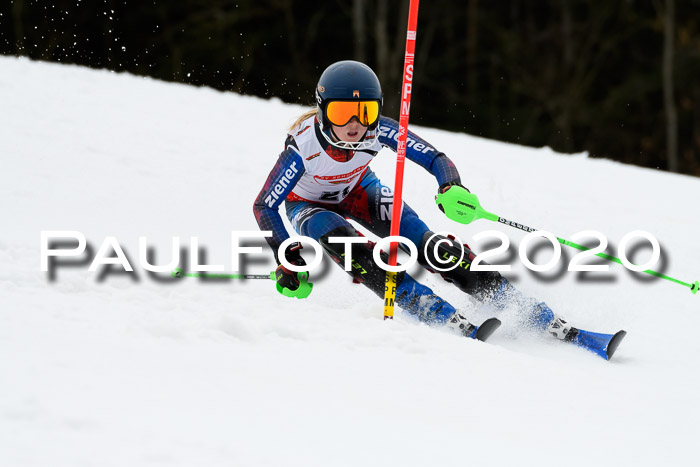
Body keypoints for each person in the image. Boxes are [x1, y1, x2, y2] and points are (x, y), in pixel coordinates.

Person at [252, 60, 579, 343]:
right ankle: (423, 303)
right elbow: (265, 205)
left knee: (433, 247)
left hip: (359, 191)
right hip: (309, 205)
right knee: (351, 248)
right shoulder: (303, 145)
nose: (355, 124)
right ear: (323, 110)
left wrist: (450, 185)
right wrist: (286, 255)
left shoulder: (379, 130)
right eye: (342, 112)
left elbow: (435, 158)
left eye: (365, 111)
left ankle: (511, 300)